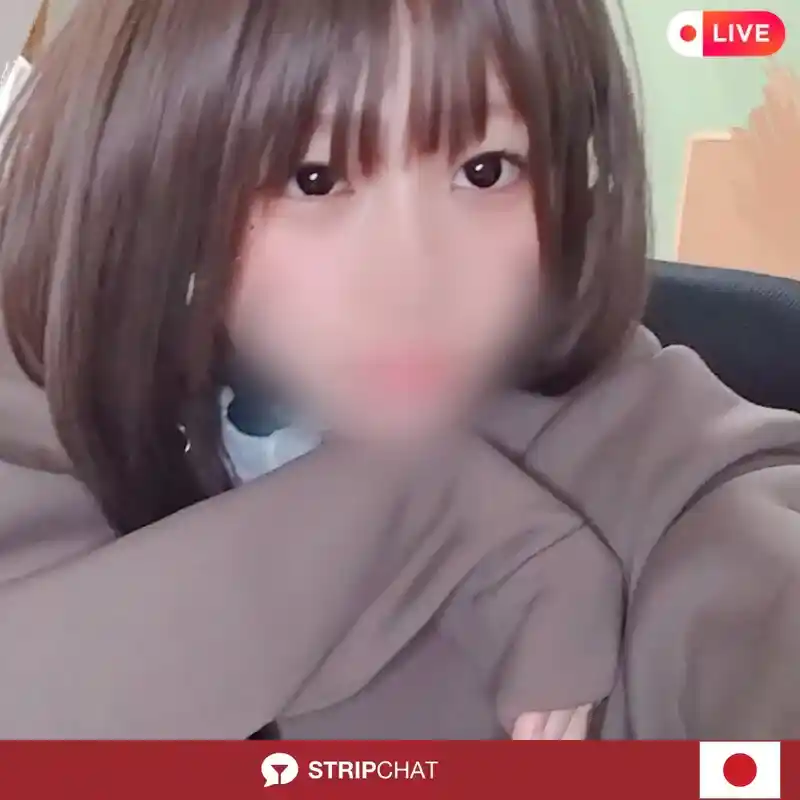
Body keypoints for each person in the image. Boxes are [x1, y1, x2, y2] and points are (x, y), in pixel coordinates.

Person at [0, 0, 798, 741]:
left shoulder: (643, 441)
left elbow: (750, 575)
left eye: (486, 170)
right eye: (313, 178)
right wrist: (425, 512)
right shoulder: (41, 388)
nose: (414, 279)